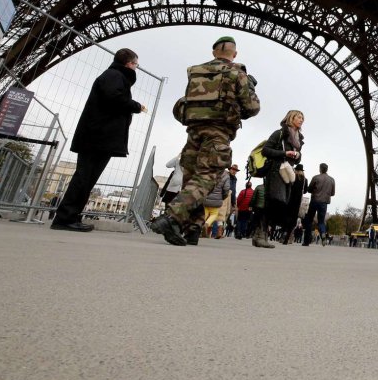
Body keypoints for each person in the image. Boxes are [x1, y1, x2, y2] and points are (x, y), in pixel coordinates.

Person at [152, 36, 259, 245]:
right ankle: (172, 217)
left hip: (193, 131)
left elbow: (187, 102)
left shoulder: (195, 71)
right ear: (234, 54)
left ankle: (192, 228)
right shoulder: (238, 73)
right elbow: (252, 108)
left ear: (213, 52)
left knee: (191, 179)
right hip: (218, 132)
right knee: (207, 177)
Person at [51, 49, 147, 232]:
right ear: (130, 64)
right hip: (98, 136)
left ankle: (70, 216)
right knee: (84, 177)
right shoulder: (115, 76)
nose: (136, 68)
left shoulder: (114, 75)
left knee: (86, 178)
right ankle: (65, 218)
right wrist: (135, 106)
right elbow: (113, 98)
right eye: (136, 65)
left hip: (98, 135)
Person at [252, 110, 304, 249]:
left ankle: (259, 232)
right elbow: (266, 151)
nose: (301, 120)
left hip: (287, 173)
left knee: (277, 203)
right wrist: (284, 153)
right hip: (275, 170)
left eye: (302, 118)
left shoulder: (299, 138)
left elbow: (299, 157)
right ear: (291, 118)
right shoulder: (279, 133)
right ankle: (261, 234)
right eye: (299, 117)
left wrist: (297, 156)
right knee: (275, 201)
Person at [194, 165, 233, 244]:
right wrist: (223, 197)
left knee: (205, 214)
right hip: (217, 199)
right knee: (214, 214)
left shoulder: (210, 171)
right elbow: (226, 189)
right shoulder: (226, 175)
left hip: (206, 197)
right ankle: (207, 224)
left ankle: (200, 229)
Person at [304, 163, 335, 246]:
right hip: (324, 202)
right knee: (321, 221)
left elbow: (309, 189)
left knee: (309, 220)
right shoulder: (332, 180)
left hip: (315, 200)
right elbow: (332, 193)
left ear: (320, 169)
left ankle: (306, 241)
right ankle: (323, 234)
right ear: (327, 169)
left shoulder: (316, 177)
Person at [282, 165, 307, 245]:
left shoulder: (292, 176)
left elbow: (286, 185)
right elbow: (305, 190)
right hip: (297, 202)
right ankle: (287, 238)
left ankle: (284, 233)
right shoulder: (305, 180)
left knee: (286, 217)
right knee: (293, 220)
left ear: (295, 170)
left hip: (289, 199)